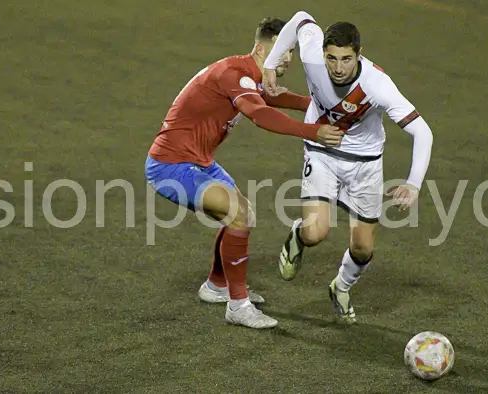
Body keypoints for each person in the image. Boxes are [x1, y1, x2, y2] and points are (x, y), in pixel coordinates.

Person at [146, 17, 344, 329]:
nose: (289, 59)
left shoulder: (247, 74)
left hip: (199, 161)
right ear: (260, 48)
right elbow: (260, 113)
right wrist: (312, 130)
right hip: (171, 165)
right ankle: (238, 306)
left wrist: (317, 105)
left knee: (244, 215)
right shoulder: (234, 73)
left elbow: (270, 96)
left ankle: (216, 286)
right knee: (237, 214)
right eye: (282, 51)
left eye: (291, 51)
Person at [261, 11, 435, 324]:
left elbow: (422, 131)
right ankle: (298, 237)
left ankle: (340, 287)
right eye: (332, 58)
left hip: (365, 164)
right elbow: (300, 19)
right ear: (323, 53)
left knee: (363, 249)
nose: (338, 68)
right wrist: (270, 64)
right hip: (322, 151)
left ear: (359, 55)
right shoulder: (313, 55)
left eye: (346, 59)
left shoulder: (378, 86)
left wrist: (413, 183)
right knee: (316, 233)